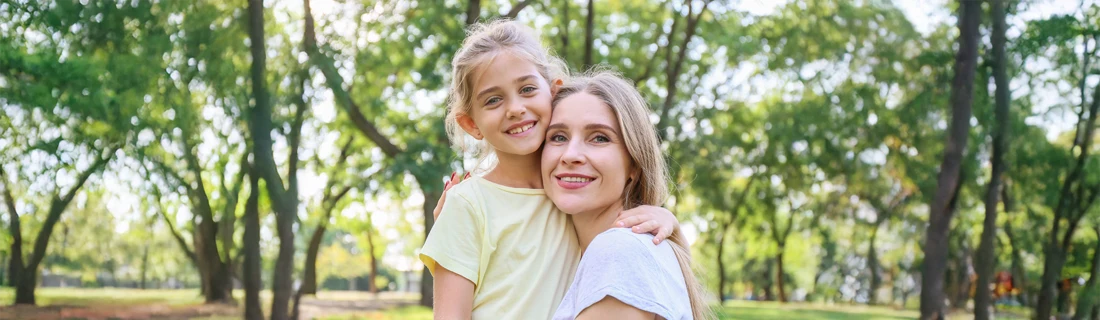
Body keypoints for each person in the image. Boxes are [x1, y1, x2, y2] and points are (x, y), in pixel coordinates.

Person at [419, 20, 680, 320]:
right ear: (471, 124)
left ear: (553, 92)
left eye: (527, 89)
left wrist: (666, 218)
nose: (515, 108)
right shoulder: (469, 204)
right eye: (493, 99)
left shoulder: (570, 194)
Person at [543, 71, 713, 320]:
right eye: (558, 137)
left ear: (634, 163)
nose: (571, 154)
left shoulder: (617, 252)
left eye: (599, 138)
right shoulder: (580, 258)